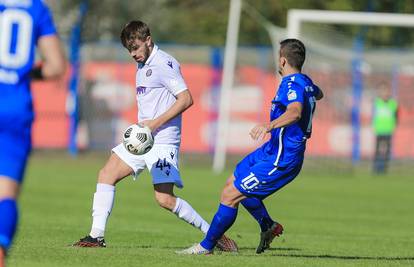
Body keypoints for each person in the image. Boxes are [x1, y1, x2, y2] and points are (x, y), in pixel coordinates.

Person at [72, 20, 237, 252]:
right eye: (129, 51)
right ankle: (95, 236)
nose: (133, 54)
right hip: (143, 139)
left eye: (136, 48)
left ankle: (213, 234)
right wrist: (145, 128)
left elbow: (186, 99)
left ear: (148, 40)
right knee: (106, 173)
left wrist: (153, 125)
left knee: (164, 199)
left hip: (162, 141)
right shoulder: (143, 64)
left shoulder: (163, 63)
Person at [178, 39, 324, 255]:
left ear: (282, 60)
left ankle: (205, 247)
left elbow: (295, 112)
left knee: (230, 195)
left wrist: (269, 125)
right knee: (234, 182)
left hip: (282, 159)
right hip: (271, 150)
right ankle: (268, 226)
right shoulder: (305, 82)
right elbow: (317, 94)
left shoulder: (292, 84)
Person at [0, 1, 66, 266]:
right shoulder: (36, 8)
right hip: (15, 109)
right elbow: (57, 66)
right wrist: (25, 75)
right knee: (5, 194)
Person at [372, 83, 398, 174]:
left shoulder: (393, 103)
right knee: (378, 150)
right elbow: (374, 116)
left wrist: (394, 126)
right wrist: (373, 126)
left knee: (387, 151)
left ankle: (384, 169)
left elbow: (396, 116)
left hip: (388, 130)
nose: (384, 93)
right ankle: (376, 168)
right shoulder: (377, 102)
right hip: (379, 130)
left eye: (386, 91)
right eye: (382, 91)